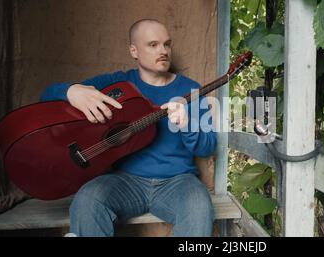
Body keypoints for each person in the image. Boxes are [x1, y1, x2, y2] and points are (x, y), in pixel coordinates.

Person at [40, 19, 217, 237]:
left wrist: (187, 124)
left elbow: (208, 147)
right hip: (125, 181)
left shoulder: (191, 89)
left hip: (178, 182)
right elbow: (47, 97)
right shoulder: (117, 84)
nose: (163, 51)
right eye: (153, 45)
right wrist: (70, 91)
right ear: (134, 50)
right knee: (88, 198)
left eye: (167, 44)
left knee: (199, 206)